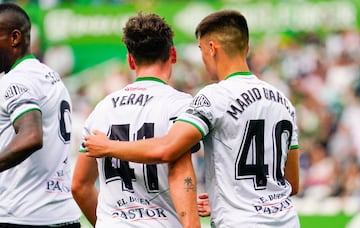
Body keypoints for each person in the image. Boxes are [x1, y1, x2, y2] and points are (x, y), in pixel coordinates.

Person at [83, 9, 300, 227]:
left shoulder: (214, 97)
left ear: (212, 49)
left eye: (201, 50)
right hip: (287, 220)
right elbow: (292, 183)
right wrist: (225, 201)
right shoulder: (283, 101)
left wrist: (109, 146)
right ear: (247, 48)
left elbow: (168, 149)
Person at [71, 12, 200, 228]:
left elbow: (79, 186)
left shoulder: (101, 109)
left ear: (131, 60)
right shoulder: (182, 105)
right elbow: (181, 170)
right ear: (173, 54)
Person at [0, 3, 81, 228]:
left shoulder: (16, 80)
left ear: (14, 37)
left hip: (23, 217)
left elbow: (31, 136)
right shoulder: (49, 75)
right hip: (62, 215)